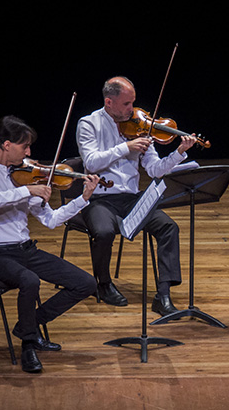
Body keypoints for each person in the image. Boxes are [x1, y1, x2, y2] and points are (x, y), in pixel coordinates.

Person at [0, 115, 100, 373]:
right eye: (24, 146)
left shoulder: (24, 176)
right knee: (30, 281)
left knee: (85, 283)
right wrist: (28, 191)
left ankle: (29, 325)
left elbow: (50, 220)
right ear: (6, 144)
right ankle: (28, 344)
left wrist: (83, 198)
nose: (29, 153)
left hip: (25, 249)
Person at [76, 76, 197, 314]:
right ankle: (103, 283)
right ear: (109, 102)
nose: (132, 110)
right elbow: (90, 161)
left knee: (168, 226)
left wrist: (179, 152)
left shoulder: (140, 127)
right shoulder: (88, 124)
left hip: (132, 199)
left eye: (133, 103)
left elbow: (154, 170)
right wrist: (125, 148)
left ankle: (163, 293)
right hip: (99, 198)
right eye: (126, 104)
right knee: (103, 231)